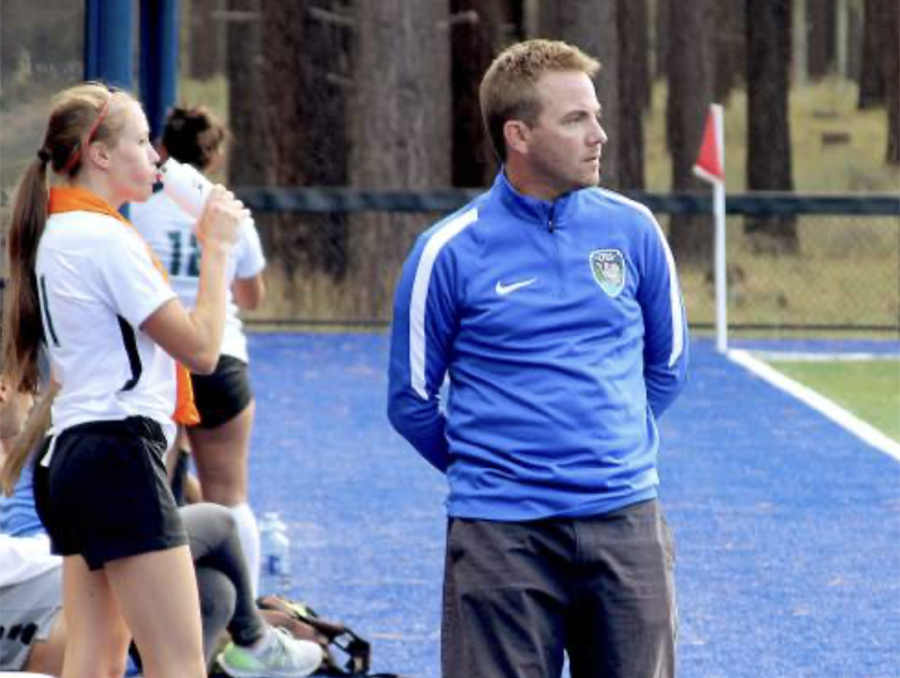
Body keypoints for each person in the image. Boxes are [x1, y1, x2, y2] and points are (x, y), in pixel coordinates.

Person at [387, 39, 689, 678]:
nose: (599, 135)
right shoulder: (447, 251)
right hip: (501, 533)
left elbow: (667, 366)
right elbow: (411, 402)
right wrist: (496, 466)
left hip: (625, 519)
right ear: (519, 134)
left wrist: (609, 443)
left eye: (597, 115)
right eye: (576, 119)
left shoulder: (634, 231)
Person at [0, 82, 315, 678]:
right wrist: (217, 250)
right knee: (179, 664)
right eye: (142, 143)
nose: (155, 157)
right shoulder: (105, 238)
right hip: (118, 454)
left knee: (95, 660)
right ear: (99, 155)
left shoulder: (58, 233)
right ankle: (257, 648)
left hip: (72, 456)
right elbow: (200, 350)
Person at [0, 392, 323, 678]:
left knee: (215, 590)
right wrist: (81, 548)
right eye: (26, 386)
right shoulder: (70, 433)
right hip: (38, 613)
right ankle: (255, 640)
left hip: (55, 584)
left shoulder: (56, 435)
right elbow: (202, 352)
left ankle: (246, 641)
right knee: (217, 520)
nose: (31, 396)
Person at [130, 106, 266, 592]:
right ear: (214, 156)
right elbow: (251, 296)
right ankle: (248, 617)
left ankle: (152, 609)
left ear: (161, 146)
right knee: (230, 497)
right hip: (221, 356)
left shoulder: (138, 205)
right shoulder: (227, 210)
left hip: (162, 357)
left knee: (154, 495)